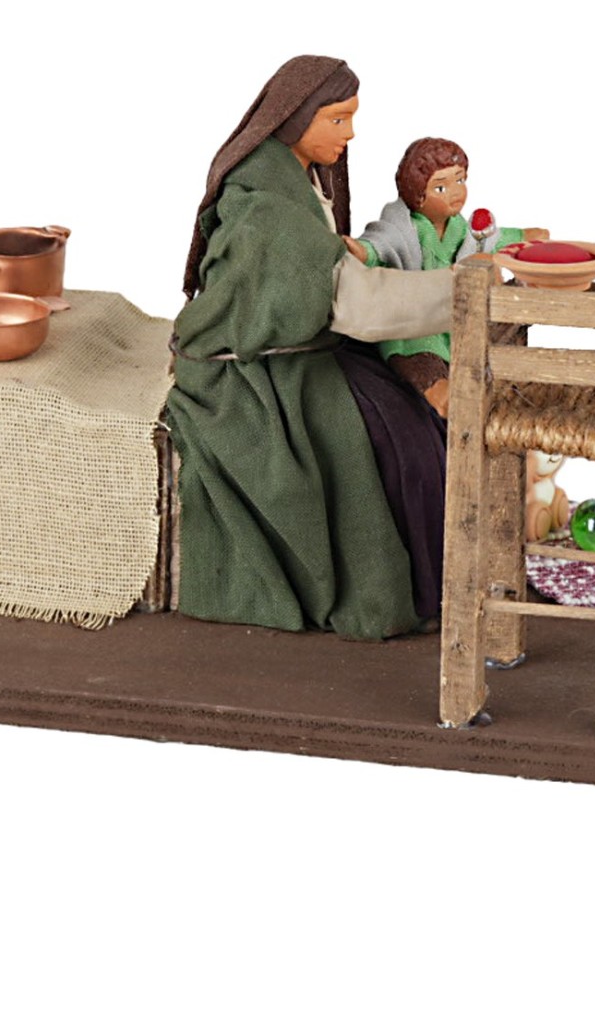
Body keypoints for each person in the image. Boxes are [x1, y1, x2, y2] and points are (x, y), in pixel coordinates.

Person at [166, 56, 456, 638]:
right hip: (251, 373)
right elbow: (360, 304)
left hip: (308, 346)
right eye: (338, 120)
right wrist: (467, 291)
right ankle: (393, 590)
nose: (350, 135)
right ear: (295, 118)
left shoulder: (299, 177)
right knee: (392, 438)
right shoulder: (268, 210)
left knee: (416, 410)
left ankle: (442, 574)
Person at [345, 137, 547, 418]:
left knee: (488, 334)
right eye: (441, 187)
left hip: (455, 315)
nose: (455, 192)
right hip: (416, 317)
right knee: (420, 350)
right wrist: (363, 251)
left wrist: (523, 236)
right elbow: (382, 244)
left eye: (460, 181)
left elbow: (490, 240)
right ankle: (439, 390)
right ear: (418, 194)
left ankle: (499, 386)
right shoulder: (405, 229)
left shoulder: (460, 228)